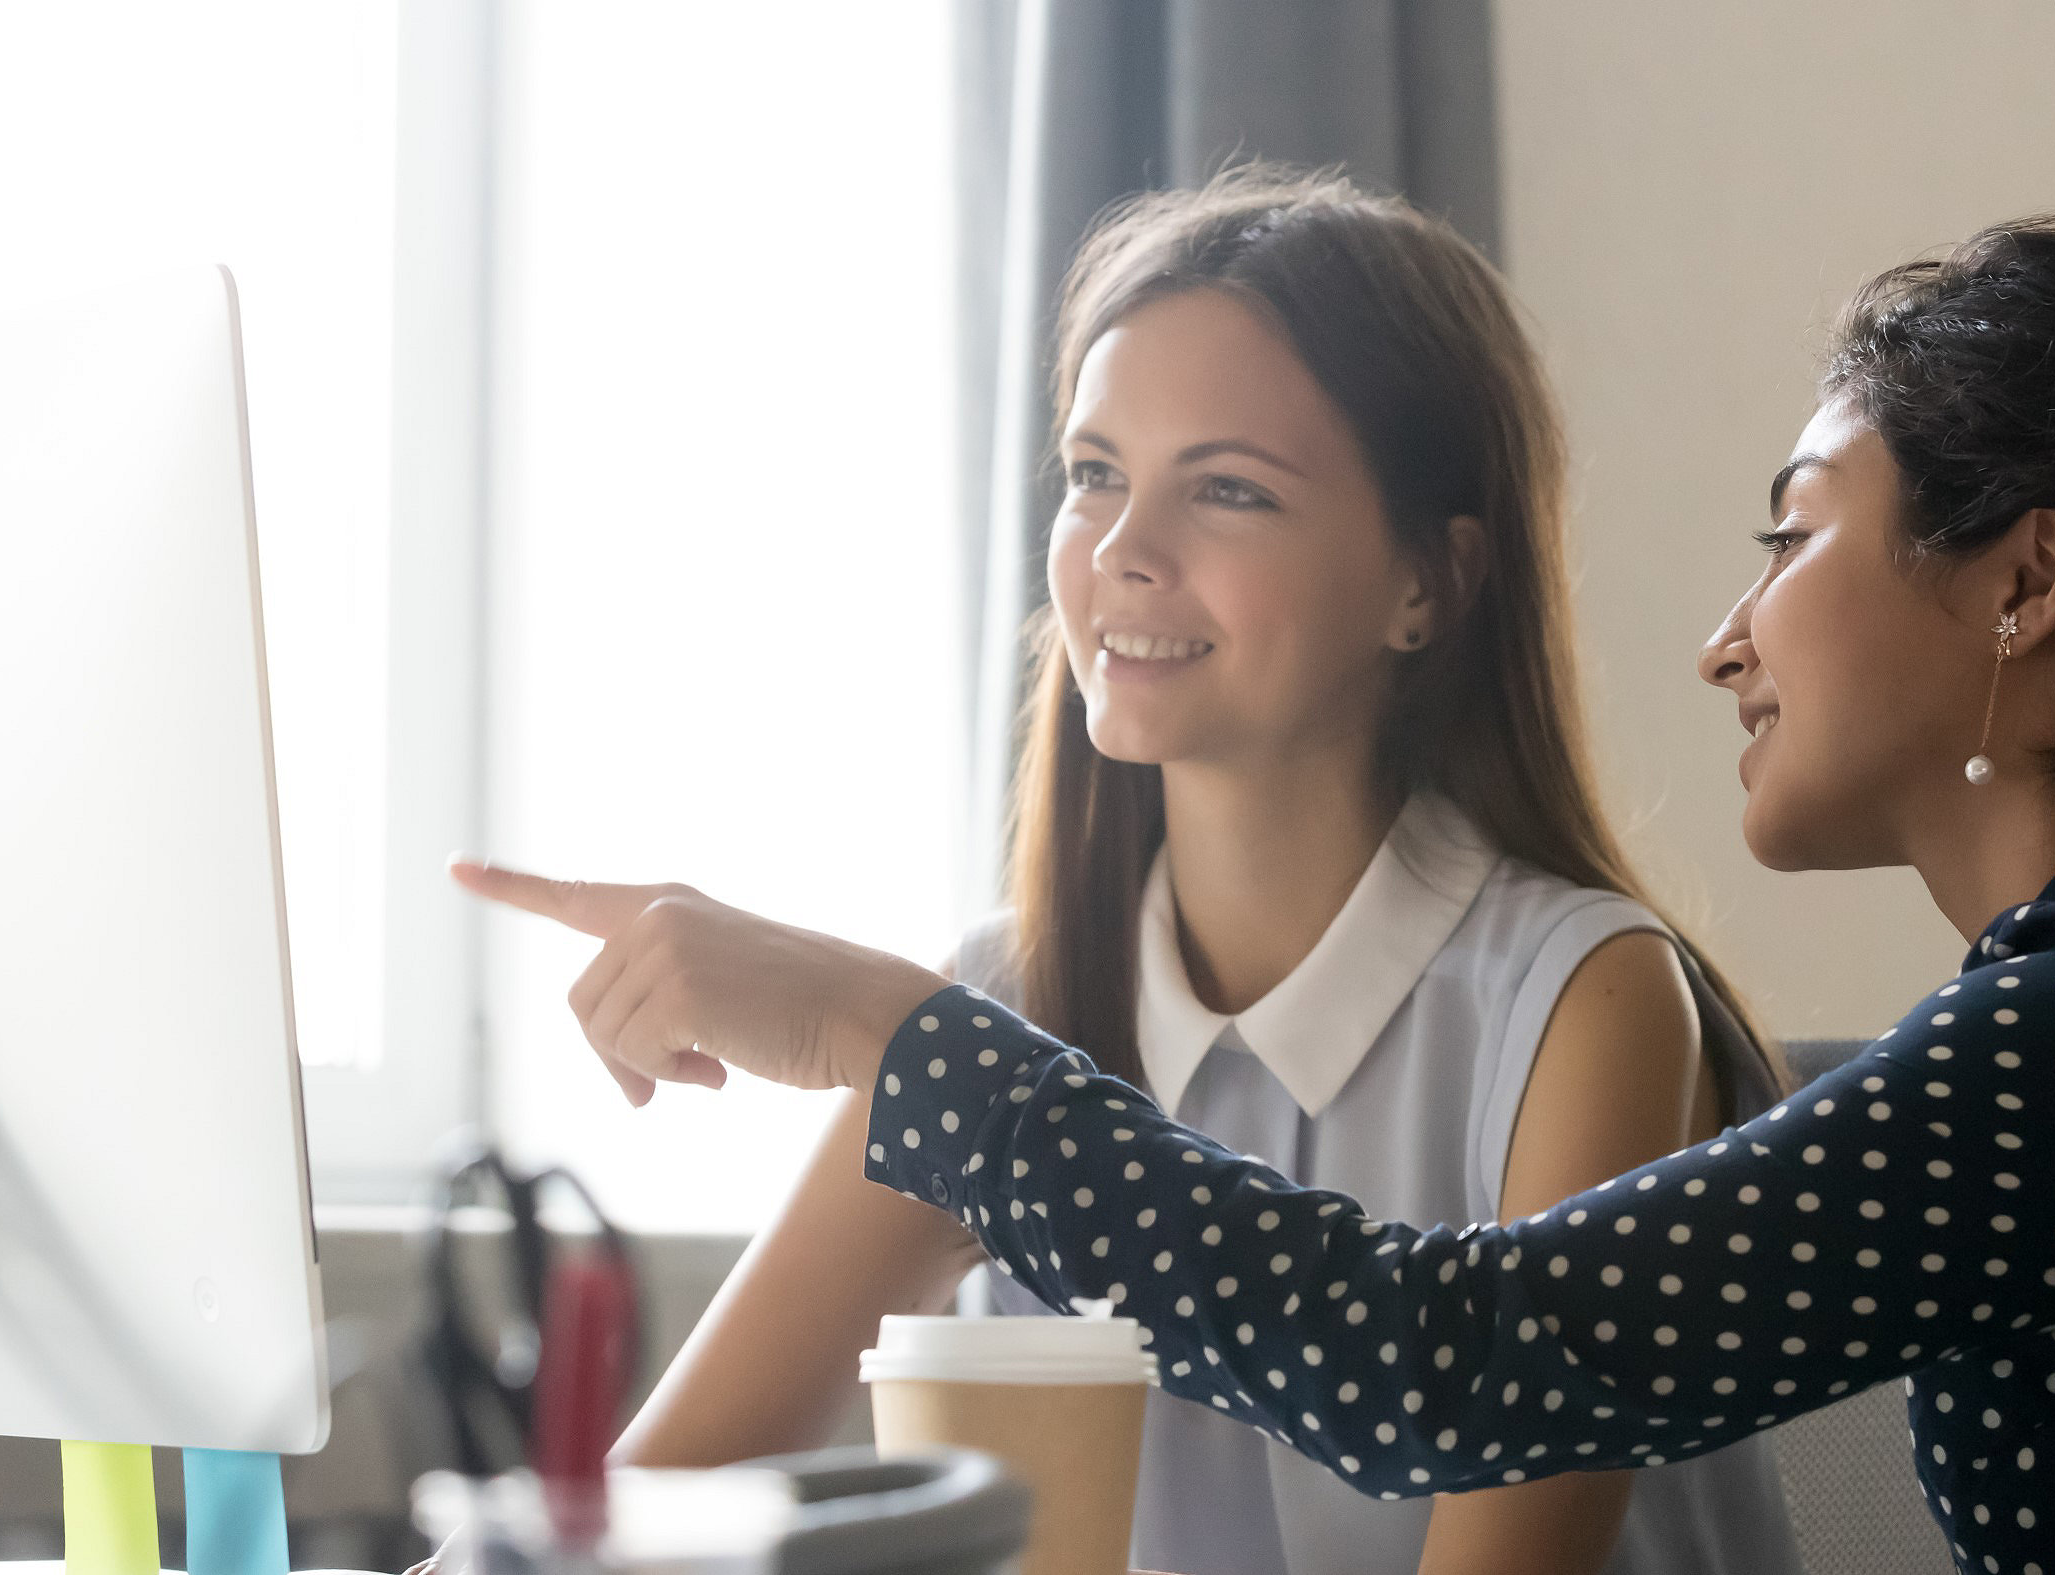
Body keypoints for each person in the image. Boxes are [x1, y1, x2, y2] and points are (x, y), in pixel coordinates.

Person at [459, 215, 2055, 1571]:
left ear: (2025, 579)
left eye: (1794, 531)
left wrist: (884, 1039)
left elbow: (1465, 1355)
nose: (1730, 633)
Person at [460, 168, 1801, 1575]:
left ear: (1430, 581)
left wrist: (865, 1017)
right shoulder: (1008, 1001)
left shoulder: (1584, 1004)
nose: (1119, 552)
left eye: (1226, 490)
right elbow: (627, 1524)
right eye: (1094, 475)